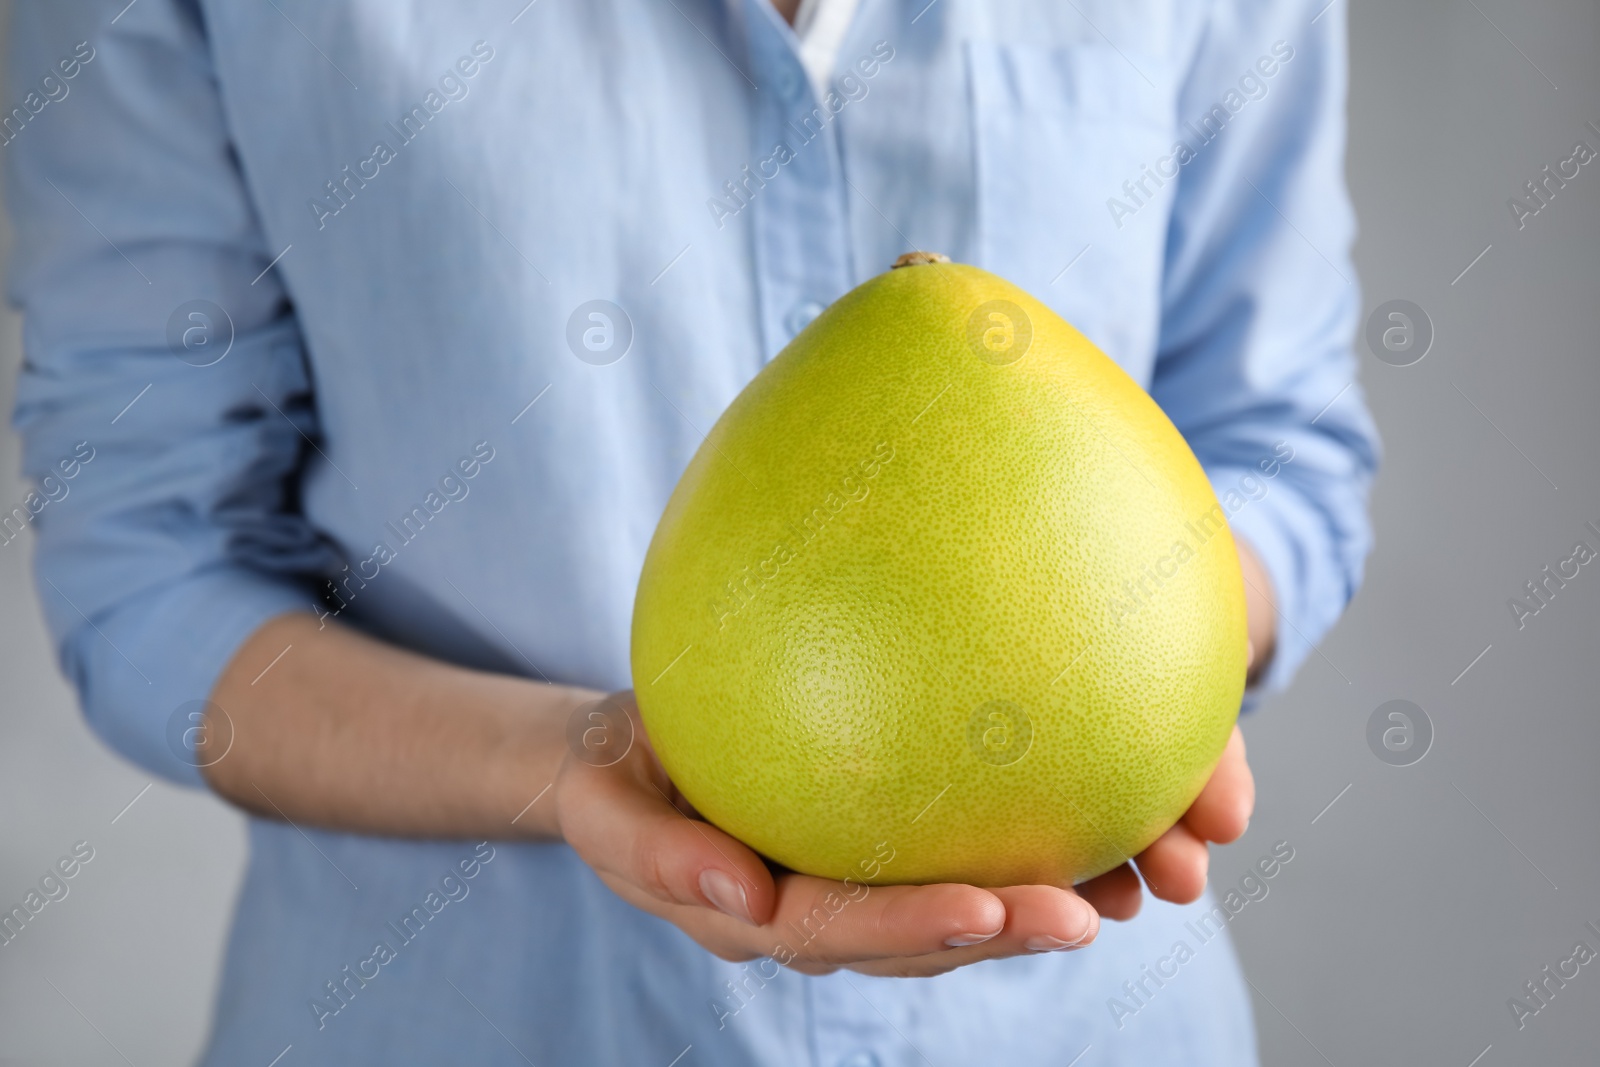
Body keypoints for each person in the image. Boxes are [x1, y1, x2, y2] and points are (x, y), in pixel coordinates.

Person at [6, 0, 1378, 1063]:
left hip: (1091, 1025)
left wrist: (1163, 653)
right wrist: (568, 763)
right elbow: (151, 573)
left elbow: (1279, 445)